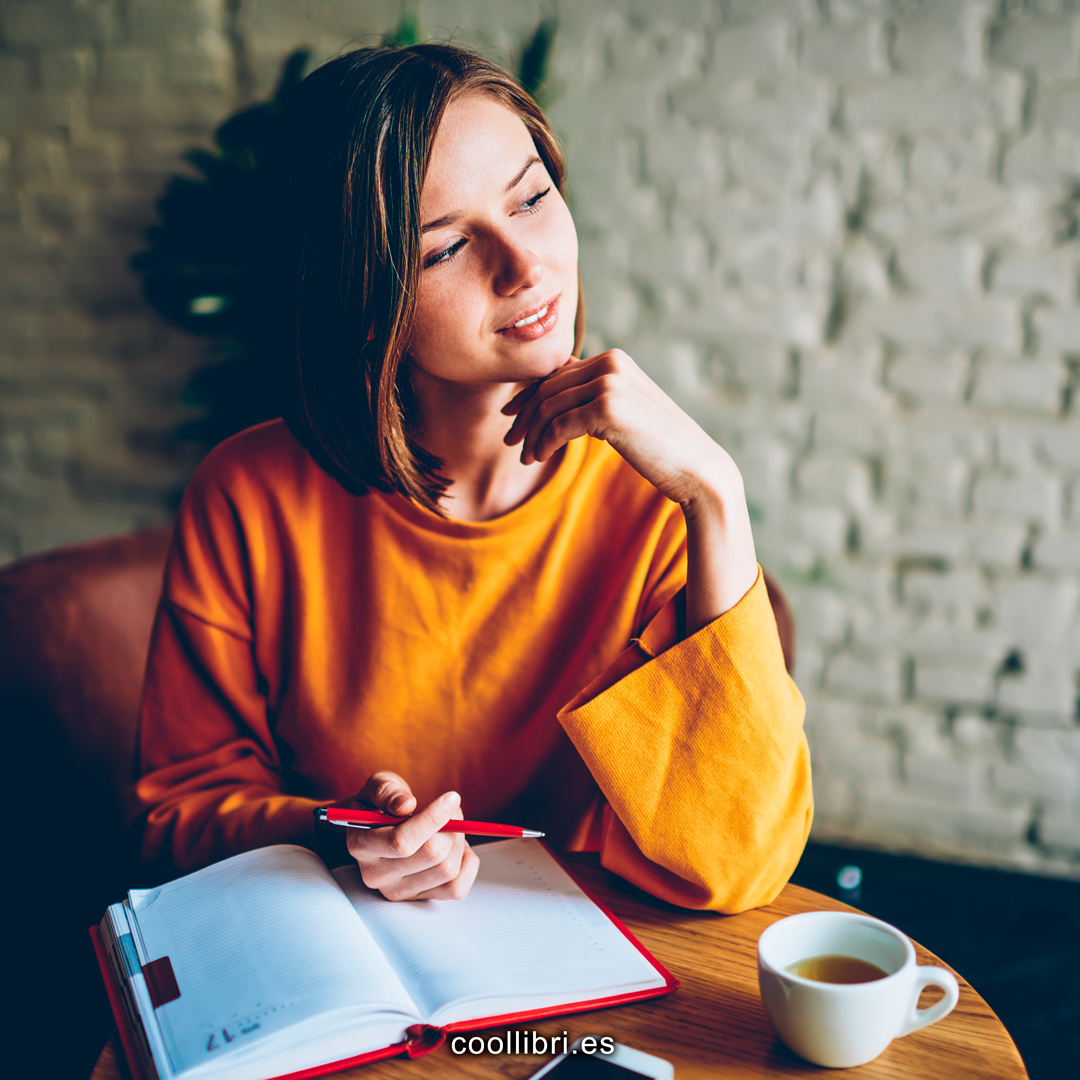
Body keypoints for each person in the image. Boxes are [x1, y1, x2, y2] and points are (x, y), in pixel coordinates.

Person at [131, 43, 812, 913]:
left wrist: (717, 494)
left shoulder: (657, 504)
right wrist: (340, 836)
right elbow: (174, 816)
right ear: (363, 304)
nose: (525, 264)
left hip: (585, 966)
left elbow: (735, 867)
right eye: (445, 248)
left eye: (532, 198)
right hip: (342, 955)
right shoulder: (248, 494)